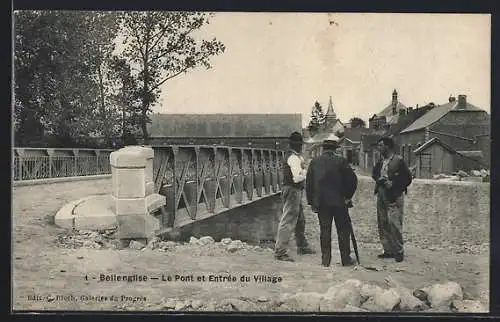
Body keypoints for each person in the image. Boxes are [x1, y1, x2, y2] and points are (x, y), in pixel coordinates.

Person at [305, 135, 358, 267]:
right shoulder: (341, 161)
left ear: (323, 149)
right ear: (335, 149)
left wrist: (312, 202)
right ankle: (345, 259)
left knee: (324, 230)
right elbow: (352, 180)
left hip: (322, 203)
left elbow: (309, 183)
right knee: (343, 230)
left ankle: (325, 260)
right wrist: (347, 197)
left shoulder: (315, 162)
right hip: (340, 202)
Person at [274, 131, 315, 262]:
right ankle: (280, 251)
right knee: (288, 220)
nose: (301, 147)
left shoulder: (294, 156)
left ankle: (302, 245)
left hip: (292, 190)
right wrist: (305, 172)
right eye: (300, 145)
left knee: (300, 219)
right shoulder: (294, 158)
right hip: (293, 190)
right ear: (298, 146)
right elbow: (297, 178)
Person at [372, 136, 413, 262]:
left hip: (394, 194)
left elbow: (407, 178)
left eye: (381, 145)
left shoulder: (398, 160)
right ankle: (388, 249)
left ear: (387, 147)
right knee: (383, 222)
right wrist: (379, 180)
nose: (379, 148)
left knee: (394, 223)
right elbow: (374, 173)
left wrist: (393, 183)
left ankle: (399, 250)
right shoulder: (381, 161)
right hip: (381, 193)